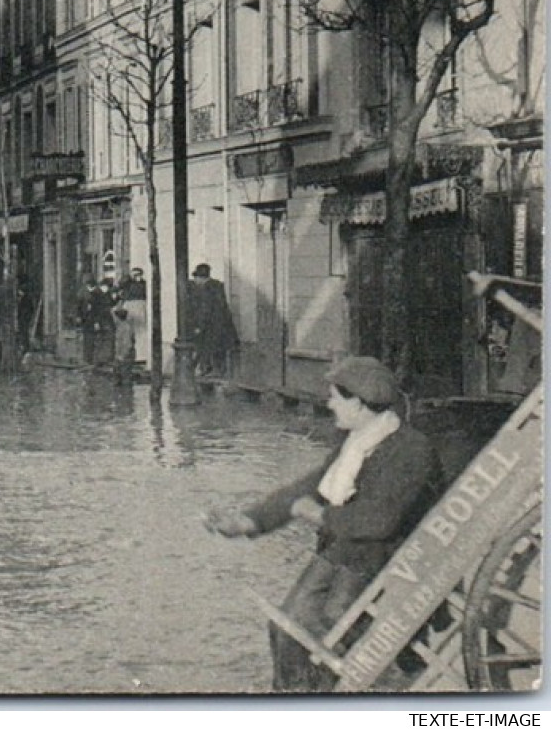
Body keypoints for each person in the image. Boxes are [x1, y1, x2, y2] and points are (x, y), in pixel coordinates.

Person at [205, 356, 443, 692]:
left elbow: (379, 522)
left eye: (336, 397)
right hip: (352, 556)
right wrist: (248, 521)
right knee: (286, 628)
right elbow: (309, 488)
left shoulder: (410, 450)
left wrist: (318, 515)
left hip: (389, 566)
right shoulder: (361, 442)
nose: (329, 403)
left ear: (359, 403)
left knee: (308, 630)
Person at [186, 263, 238, 379]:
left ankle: (212, 370)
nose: (195, 281)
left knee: (209, 347)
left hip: (212, 325)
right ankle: (213, 370)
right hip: (221, 324)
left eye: (197, 278)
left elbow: (205, 309)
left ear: (201, 278)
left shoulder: (206, 289)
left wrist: (199, 326)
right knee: (216, 348)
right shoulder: (217, 286)